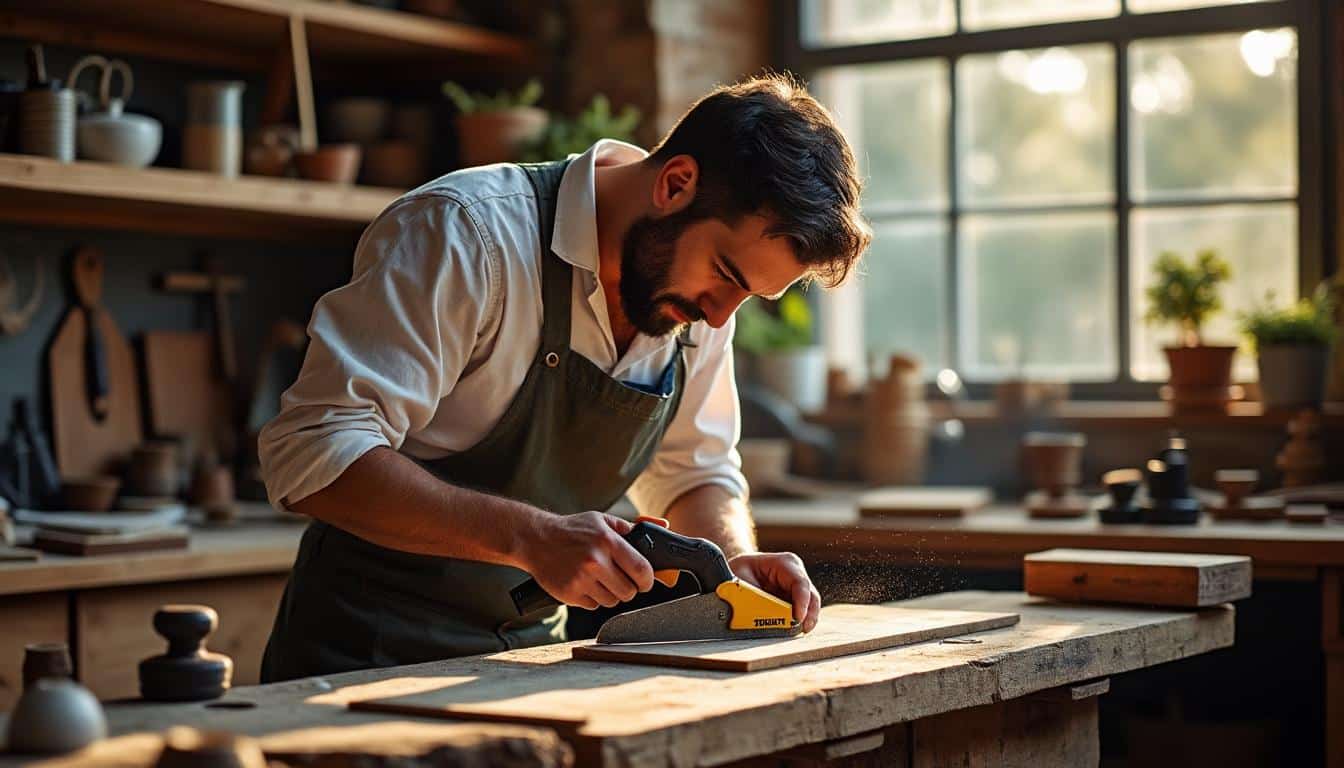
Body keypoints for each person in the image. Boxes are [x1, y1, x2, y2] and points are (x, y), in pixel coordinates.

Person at [257, 73, 872, 681]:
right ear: (676, 184)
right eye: (726, 275)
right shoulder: (466, 234)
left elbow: (694, 472)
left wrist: (731, 563)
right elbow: (314, 451)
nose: (719, 316)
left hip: (525, 666)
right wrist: (530, 537)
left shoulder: (698, 307)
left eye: (748, 296)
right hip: (359, 659)